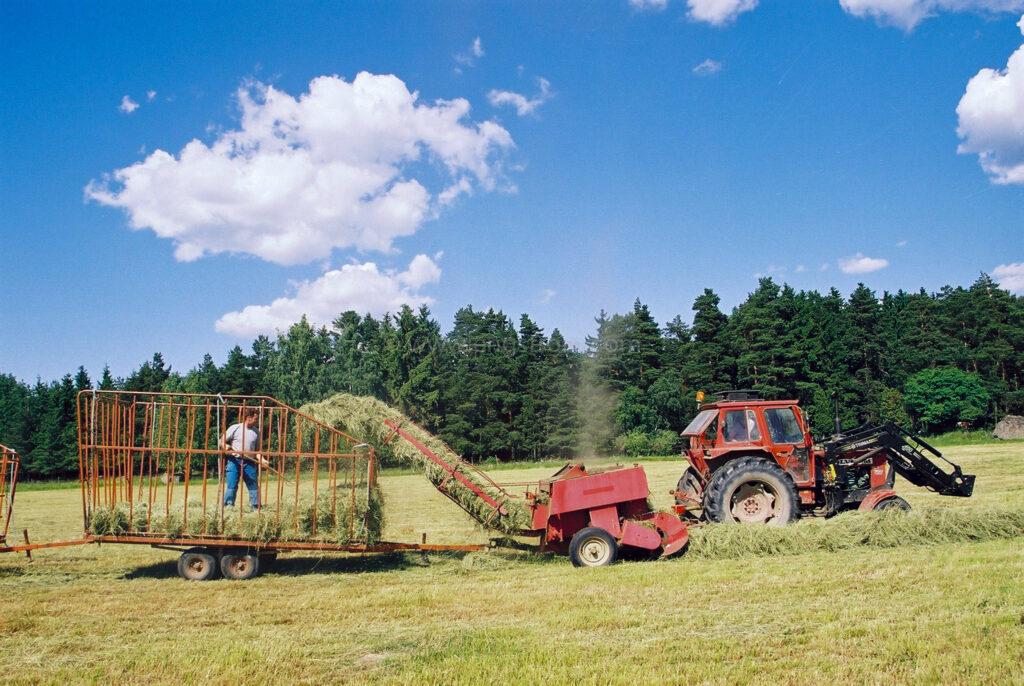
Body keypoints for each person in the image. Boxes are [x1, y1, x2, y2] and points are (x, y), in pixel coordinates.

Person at [219, 409, 262, 510]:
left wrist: (262, 460)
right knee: (232, 485)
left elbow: (258, 451)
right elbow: (221, 441)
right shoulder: (235, 428)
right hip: (234, 460)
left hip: (249, 462)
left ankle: (256, 507)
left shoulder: (256, 432)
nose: (257, 421)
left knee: (253, 486)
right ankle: (228, 507)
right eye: (256, 419)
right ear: (248, 418)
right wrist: (225, 445)